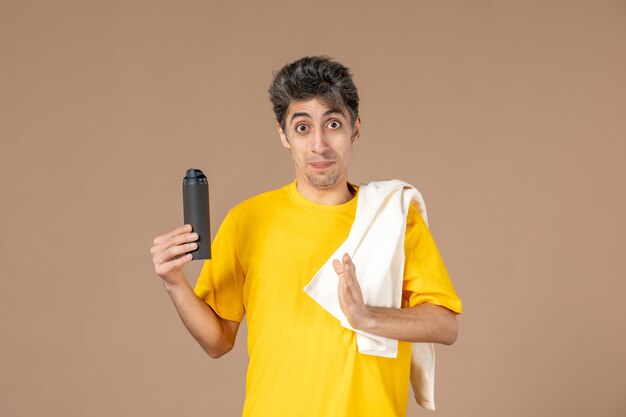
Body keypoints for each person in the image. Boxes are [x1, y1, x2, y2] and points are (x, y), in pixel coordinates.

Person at [150, 56, 462, 417]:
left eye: (332, 124)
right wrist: (174, 283)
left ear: (355, 128)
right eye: (302, 128)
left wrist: (368, 318)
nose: (319, 145)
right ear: (283, 134)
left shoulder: (393, 216)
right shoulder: (246, 220)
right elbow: (217, 342)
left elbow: (446, 324)